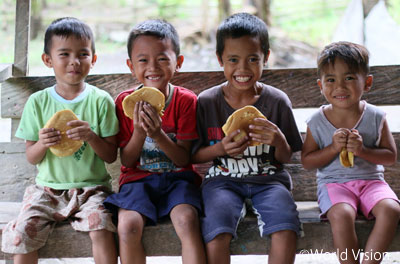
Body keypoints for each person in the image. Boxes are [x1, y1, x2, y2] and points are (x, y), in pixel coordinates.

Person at [1, 17, 119, 264]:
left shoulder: (100, 101)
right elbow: (31, 156)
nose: (74, 61)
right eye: (64, 54)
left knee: (102, 228)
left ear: (93, 59)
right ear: (48, 60)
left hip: (92, 189)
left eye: (83, 54)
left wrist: (91, 136)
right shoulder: (38, 102)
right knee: (21, 234)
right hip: (47, 190)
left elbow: (110, 155)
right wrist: (43, 143)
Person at [192, 13, 302, 264]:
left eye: (253, 59)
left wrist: (278, 140)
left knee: (285, 227)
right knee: (216, 230)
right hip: (222, 181)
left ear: (266, 58)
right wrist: (220, 148)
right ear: (220, 59)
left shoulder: (276, 101)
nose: (243, 69)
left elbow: (287, 157)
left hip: (270, 181)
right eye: (233, 59)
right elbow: (194, 154)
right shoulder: (208, 103)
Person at [103, 19, 206, 264]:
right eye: (143, 60)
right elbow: (127, 161)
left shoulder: (185, 101)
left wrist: (158, 134)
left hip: (178, 180)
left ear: (178, 62)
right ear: (131, 66)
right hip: (137, 181)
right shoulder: (125, 103)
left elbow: (184, 159)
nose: (153, 67)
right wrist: (139, 132)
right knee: (127, 227)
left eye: (162, 58)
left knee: (187, 221)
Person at [301, 41, 400, 264]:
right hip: (334, 184)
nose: (340, 87)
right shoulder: (317, 121)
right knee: (342, 214)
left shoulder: (375, 116)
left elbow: (390, 156)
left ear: (368, 83)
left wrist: (363, 150)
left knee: (391, 209)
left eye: (349, 78)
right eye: (331, 80)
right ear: (320, 85)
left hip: (371, 182)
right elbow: (307, 161)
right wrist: (333, 148)